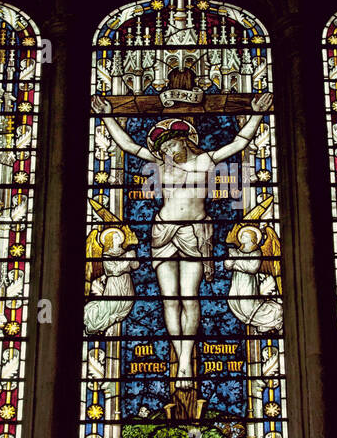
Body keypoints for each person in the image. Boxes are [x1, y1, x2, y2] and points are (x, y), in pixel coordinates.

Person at [90, 96, 271, 386]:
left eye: (170, 145)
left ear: (184, 140)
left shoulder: (204, 160)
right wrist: (109, 116)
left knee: (190, 296)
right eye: (162, 148)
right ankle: (180, 356)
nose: (166, 151)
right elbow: (128, 146)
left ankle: (186, 358)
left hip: (194, 233)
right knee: (170, 299)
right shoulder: (161, 164)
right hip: (163, 232)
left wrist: (257, 115)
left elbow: (238, 143)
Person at [224, 223, 283, 333]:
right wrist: (231, 260)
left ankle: (274, 318)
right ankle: (267, 322)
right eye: (242, 235)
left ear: (252, 238)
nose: (242, 237)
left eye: (245, 235)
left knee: (248, 306)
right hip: (237, 282)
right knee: (235, 303)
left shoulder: (256, 252)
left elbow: (252, 268)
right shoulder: (237, 251)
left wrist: (236, 262)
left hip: (248, 283)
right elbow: (227, 266)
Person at [84, 226, 138, 335]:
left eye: (119, 236)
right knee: (110, 307)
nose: (119, 237)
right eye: (116, 236)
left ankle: (107, 324)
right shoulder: (107, 255)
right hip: (115, 284)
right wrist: (127, 258)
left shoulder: (126, 252)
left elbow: (135, 266)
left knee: (127, 303)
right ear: (110, 240)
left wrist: (132, 257)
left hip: (126, 282)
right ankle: (96, 323)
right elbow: (113, 270)